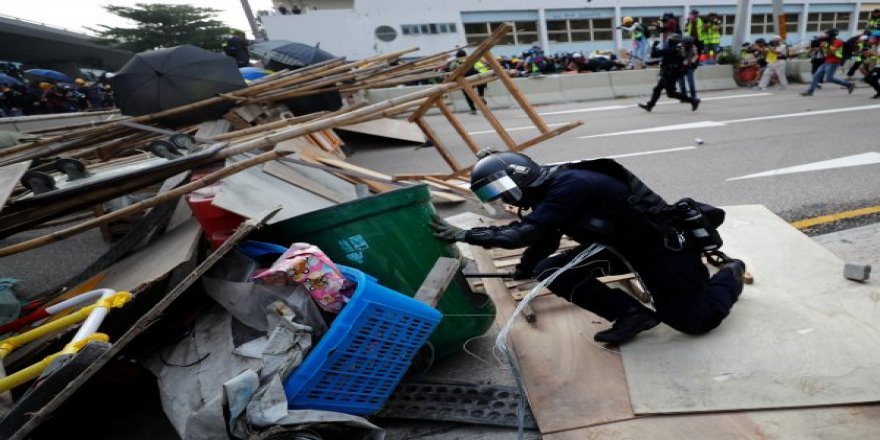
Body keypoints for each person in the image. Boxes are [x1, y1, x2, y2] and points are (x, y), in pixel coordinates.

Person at [431, 151, 747, 344]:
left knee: (695, 323)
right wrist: (525, 269)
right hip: (622, 249)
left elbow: (523, 234)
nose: (504, 199)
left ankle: (730, 274)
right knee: (550, 270)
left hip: (662, 250)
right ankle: (632, 315)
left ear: (520, 178)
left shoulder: (571, 184)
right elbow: (545, 236)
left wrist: (466, 235)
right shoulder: (546, 194)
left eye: (503, 190)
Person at [638, 34, 701, 112]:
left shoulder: (671, 49)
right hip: (670, 73)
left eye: (669, 40)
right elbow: (666, 60)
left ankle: (693, 101)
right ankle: (650, 105)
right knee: (659, 90)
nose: (668, 41)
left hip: (669, 74)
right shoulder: (676, 49)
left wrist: (654, 45)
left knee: (669, 93)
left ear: (671, 42)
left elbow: (653, 54)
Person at [802, 28, 855, 96]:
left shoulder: (838, 41)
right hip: (827, 61)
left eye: (826, 34)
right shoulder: (828, 42)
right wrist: (816, 46)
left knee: (830, 78)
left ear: (831, 34)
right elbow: (825, 51)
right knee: (816, 76)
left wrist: (825, 45)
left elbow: (833, 50)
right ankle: (810, 92)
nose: (825, 35)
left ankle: (849, 84)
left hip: (834, 62)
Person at [448, 49, 489, 114]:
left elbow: (452, 72)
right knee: (481, 81)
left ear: (457, 56)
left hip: (464, 79)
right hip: (474, 76)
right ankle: (481, 96)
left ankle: (473, 109)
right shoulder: (470, 59)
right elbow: (480, 68)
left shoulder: (455, 62)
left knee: (467, 93)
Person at [677, 36, 700, 101]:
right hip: (681, 67)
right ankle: (683, 97)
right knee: (681, 82)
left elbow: (696, 56)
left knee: (690, 82)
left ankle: (693, 97)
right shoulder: (680, 48)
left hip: (689, 67)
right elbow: (678, 57)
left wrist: (691, 60)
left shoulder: (693, 48)